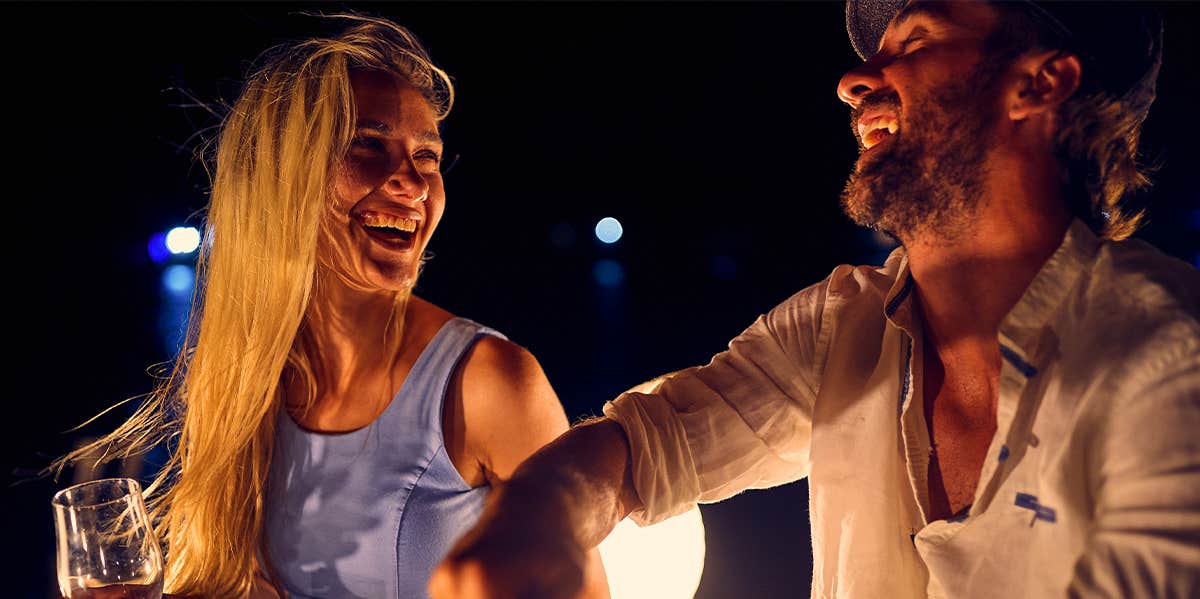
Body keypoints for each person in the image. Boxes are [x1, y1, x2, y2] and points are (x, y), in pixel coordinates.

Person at [430, 1, 1200, 598]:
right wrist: (534, 516)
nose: (855, 78)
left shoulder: (1166, 360)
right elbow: (645, 449)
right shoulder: (841, 329)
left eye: (917, 40)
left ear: (1037, 82)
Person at [54, 15, 607, 599]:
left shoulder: (491, 383)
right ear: (282, 176)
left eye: (427, 156)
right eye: (368, 144)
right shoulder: (244, 380)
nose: (414, 184)